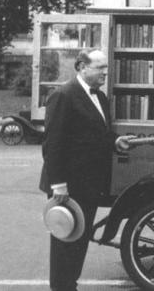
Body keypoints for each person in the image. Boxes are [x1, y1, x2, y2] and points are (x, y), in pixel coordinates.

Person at [39, 49, 141, 291]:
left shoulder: (100, 97)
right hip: (68, 186)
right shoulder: (64, 95)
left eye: (106, 67)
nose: (105, 72)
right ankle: (62, 287)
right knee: (65, 242)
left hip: (89, 184)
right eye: (99, 68)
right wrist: (58, 184)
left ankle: (69, 285)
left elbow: (98, 134)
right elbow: (52, 144)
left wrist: (115, 141)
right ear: (82, 67)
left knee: (79, 240)